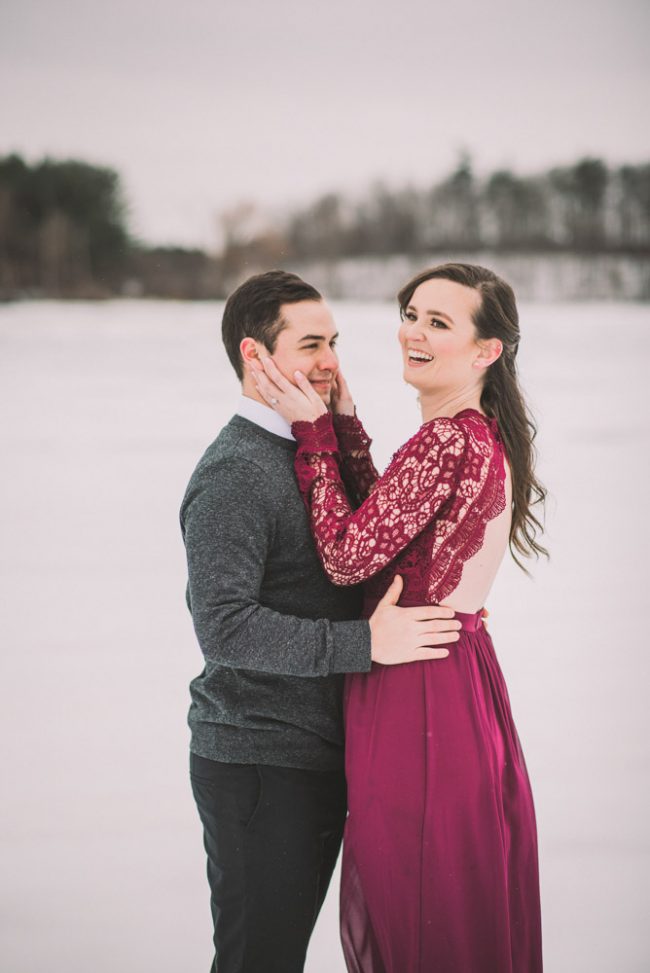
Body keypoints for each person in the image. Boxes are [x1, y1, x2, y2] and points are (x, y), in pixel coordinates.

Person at [251, 262, 546, 972]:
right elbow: (394, 524)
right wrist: (347, 430)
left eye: (438, 322)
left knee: (420, 898)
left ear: (486, 351)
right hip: (454, 676)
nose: (413, 332)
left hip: (419, 693)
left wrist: (314, 436)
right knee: (444, 895)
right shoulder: (474, 433)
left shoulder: (445, 440)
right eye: (411, 313)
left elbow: (351, 557)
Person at [180, 270, 461, 973]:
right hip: (258, 761)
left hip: (318, 753)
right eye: (310, 343)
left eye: (333, 340)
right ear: (255, 355)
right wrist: (367, 643)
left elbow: (368, 546)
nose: (330, 359)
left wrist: (341, 427)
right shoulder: (235, 473)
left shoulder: (311, 451)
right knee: (259, 959)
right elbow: (226, 628)